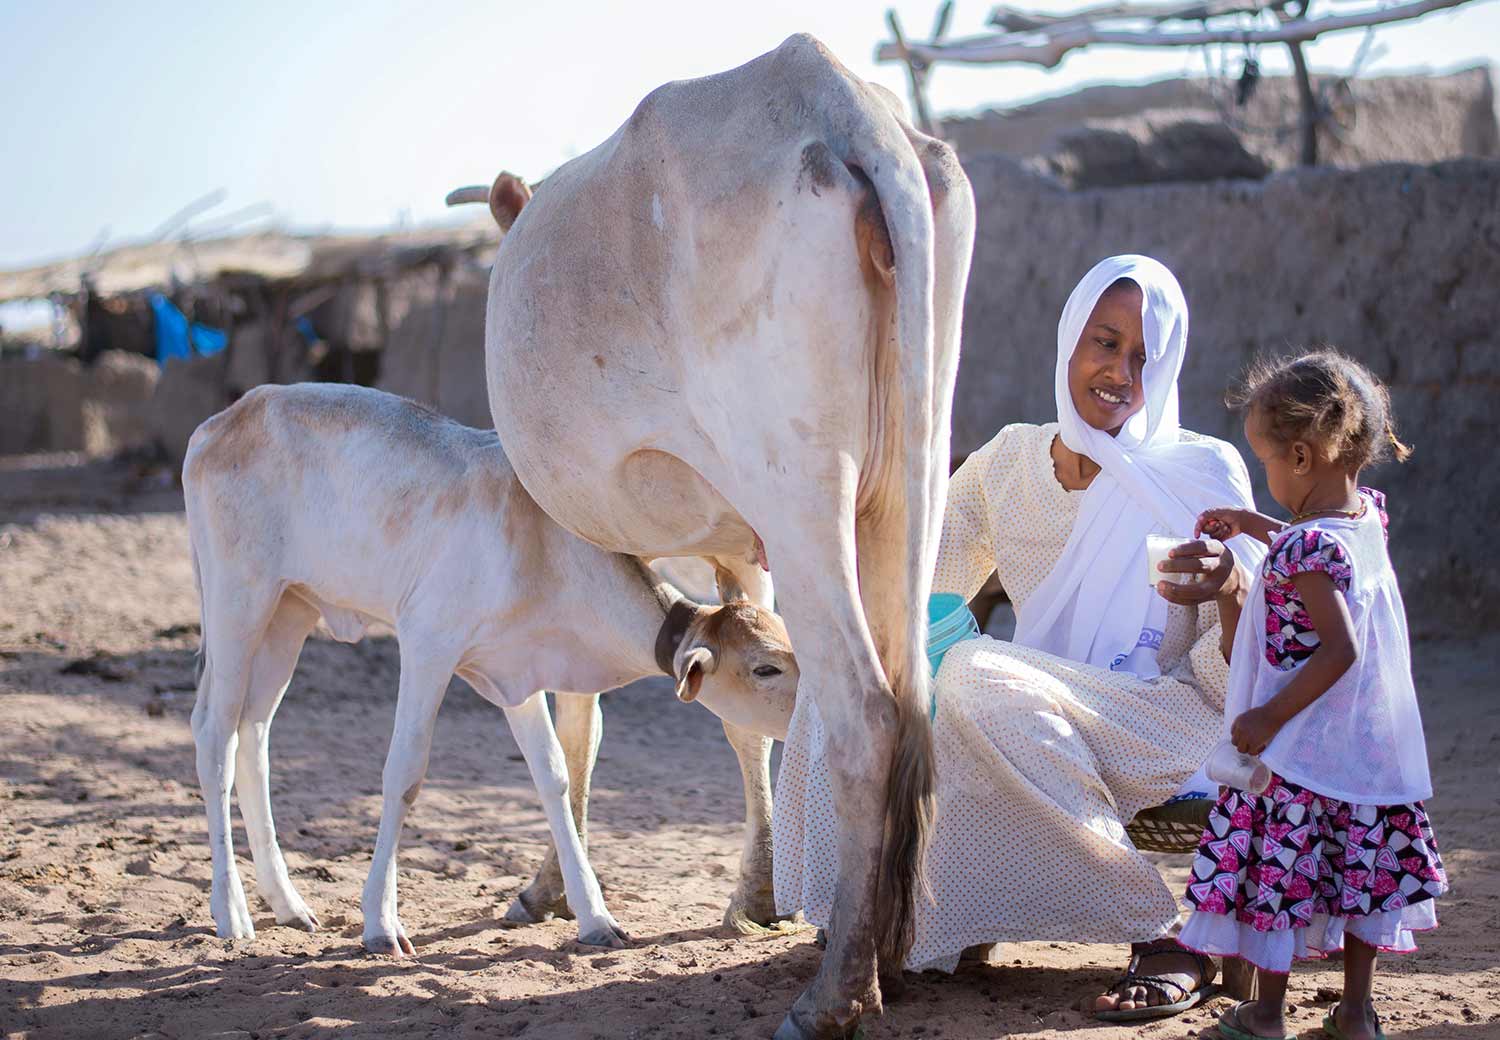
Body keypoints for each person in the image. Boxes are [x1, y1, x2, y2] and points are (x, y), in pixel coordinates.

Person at [772, 255, 1265, 1020]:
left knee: (975, 676)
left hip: (1164, 718)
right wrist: (817, 551)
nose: (1121, 373)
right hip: (1028, 711)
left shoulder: (1200, 473)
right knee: (854, 664)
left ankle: (1168, 934)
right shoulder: (1010, 463)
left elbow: (1241, 670)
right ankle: (863, 919)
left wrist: (1233, 585)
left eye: (1144, 357)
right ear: (1069, 342)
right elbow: (914, 570)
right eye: (1105, 343)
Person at [1178, 351, 1447, 1040]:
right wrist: (1252, 522)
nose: (1265, 476)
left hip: (1302, 750)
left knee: (1283, 879)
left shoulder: (1305, 553)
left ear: (1301, 455)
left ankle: (1267, 1016)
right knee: (1362, 877)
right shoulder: (1366, 520)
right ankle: (1354, 1013)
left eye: (1265, 460)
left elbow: (1340, 644)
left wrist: (1268, 715)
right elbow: (1310, 542)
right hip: (1367, 753)